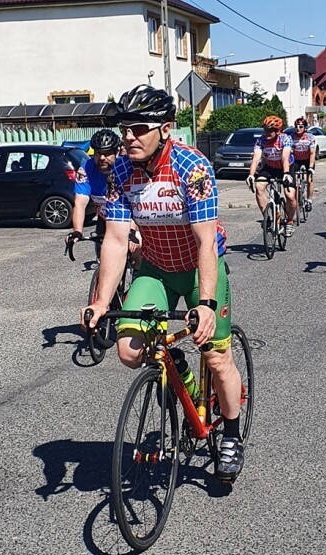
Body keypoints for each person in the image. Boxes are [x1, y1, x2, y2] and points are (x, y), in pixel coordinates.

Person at [83, 85, 245, 480]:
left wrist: (205, 303)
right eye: (125, 129)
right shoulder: (120, 170)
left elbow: (207, 240)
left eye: (139, 128)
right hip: (155, 269)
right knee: (127, 351)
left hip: (196, 269)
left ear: (167, 129)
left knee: (217, 357)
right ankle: (176, 368)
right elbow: (117, 239)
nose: (129, 137)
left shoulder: (193, 168)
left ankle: (232, 436)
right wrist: (102, 301)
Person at [66, 128, 120, 248]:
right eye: (98, 153)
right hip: (104, 218)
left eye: (106, 153)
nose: (101, 158)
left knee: (136, 248)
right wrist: (77, 231)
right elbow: (80, 204)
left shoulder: (125, 167)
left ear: (116, 152)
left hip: (127, 218)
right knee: (103, 257)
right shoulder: (86, 169)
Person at [247, 115, 297, 235]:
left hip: (286, 167)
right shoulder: (261, 140)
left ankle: (290, 222)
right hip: (269, 167)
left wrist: (285, 174)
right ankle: (268, 219)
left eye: (270, 130)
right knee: (259, 187)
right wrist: (251, 175)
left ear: (278, 131)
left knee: (290, 195)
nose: (267, 133)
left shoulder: (285, 138)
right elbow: (255, 159)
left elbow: (285, 157)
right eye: (265, 130)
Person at [290, 117, 316, 208]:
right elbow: (289, 151)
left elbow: (312, 153)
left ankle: (309, 200)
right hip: (297, 159)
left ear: (305, 128)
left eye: (301, 127)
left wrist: (311, 167)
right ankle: (297, 197)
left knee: (309, 180)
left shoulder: (310, 137)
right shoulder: (291, 137)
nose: (298, 129)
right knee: (294, 179)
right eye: (296, 127)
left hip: (308, 159)